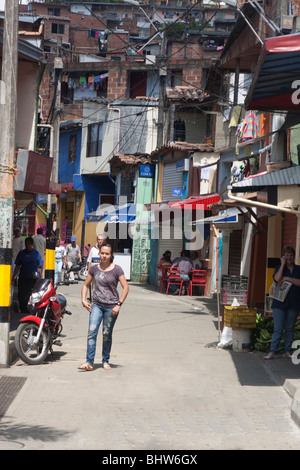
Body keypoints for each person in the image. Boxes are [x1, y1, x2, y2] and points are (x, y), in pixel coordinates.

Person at [79, 243, 129, 371]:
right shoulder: (94, 269)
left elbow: (126, 287)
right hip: (96, 305)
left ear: (111, 255)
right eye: (102, 253)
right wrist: (84, 300)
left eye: (107, 254)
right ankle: (89, 362)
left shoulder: (117, 269)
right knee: (91, 332)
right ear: (99, 254)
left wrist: (119, 304)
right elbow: (85, 285)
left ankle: (105, 360)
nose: (104, 256)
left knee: (107, 334)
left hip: (111, 307)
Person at [264, 246, 300, 360]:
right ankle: (272, 352)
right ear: (283, 256)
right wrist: (283, 264)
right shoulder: (279, 267)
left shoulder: (298, 269)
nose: (289, 257)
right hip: (279, 303)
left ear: (294, 256)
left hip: (293, 303)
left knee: (289, 329)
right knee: (278, 329)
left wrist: (287, 278)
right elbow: (277, 279)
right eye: (286, 255)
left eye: (291, 255)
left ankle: (286, 351)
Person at [12, 237, 43, 313]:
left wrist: (41, 278)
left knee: (30, 294)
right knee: (21, 295)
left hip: (33, 279)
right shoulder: (21, 253)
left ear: (32, 244)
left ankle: (30, 309)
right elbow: (17, 266)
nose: (27, 245)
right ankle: (22, 309)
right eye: (26, 244)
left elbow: (39, 267)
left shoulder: (36, 254)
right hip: (23, 278)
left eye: (29, 244)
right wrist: (13, 277)